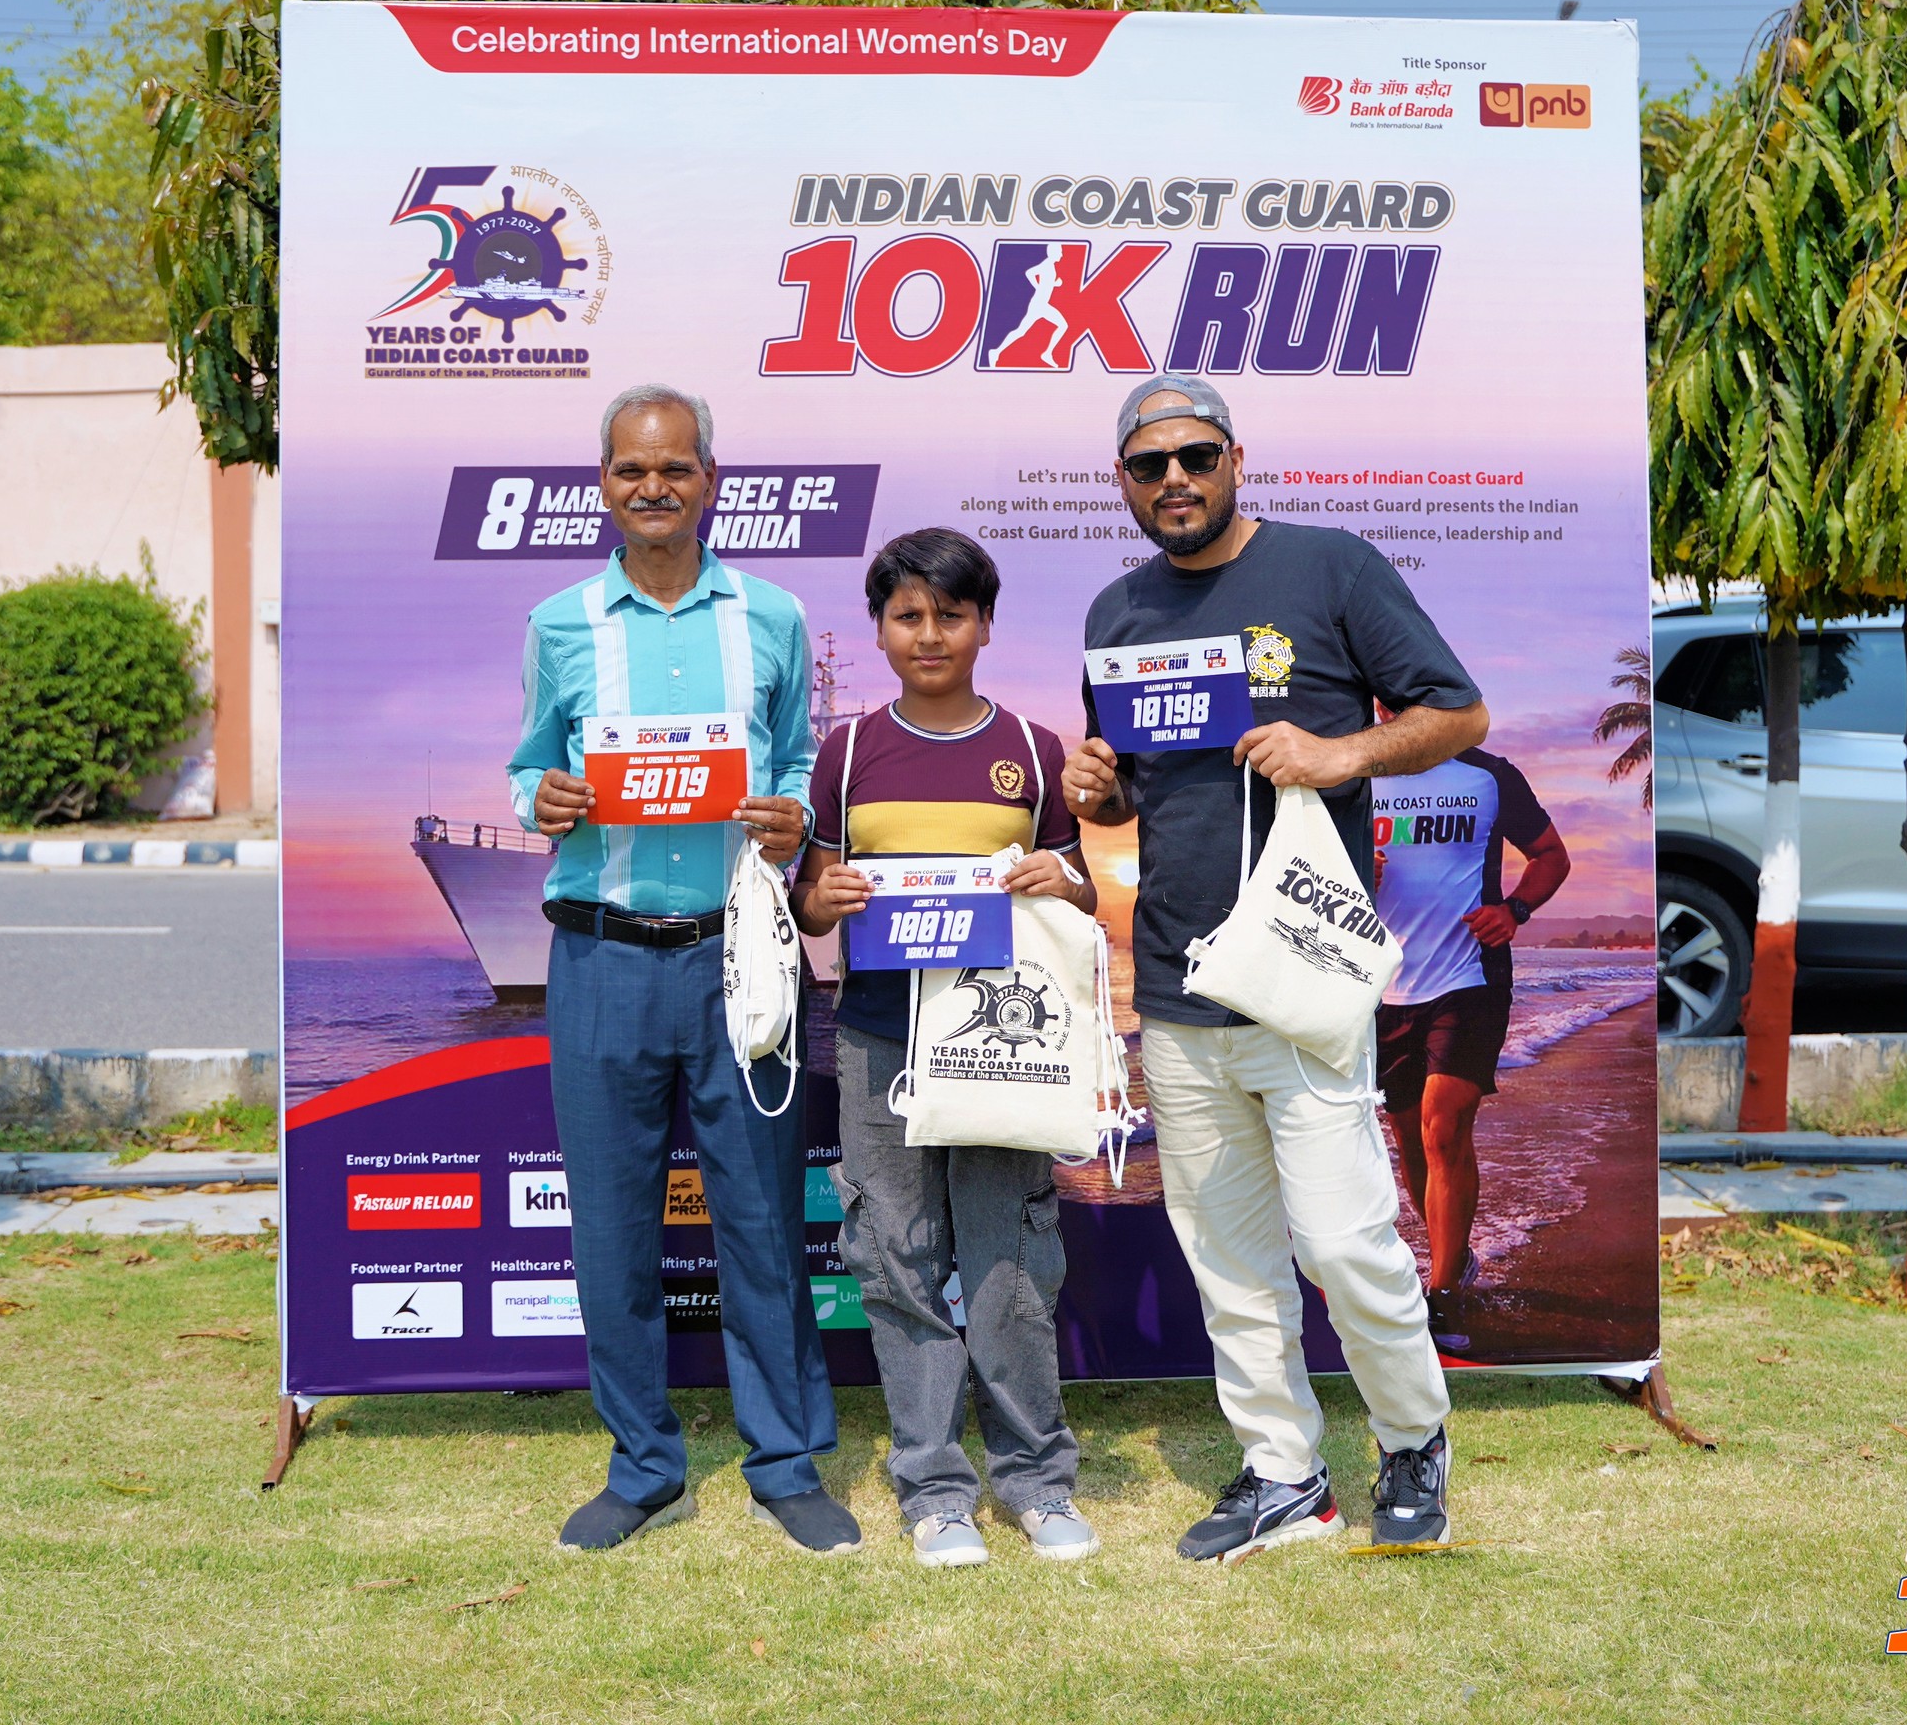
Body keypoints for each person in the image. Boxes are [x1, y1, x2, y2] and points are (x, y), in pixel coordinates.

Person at [1060, 374, 1489, 1562]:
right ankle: (1285, 1472)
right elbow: (1132, 785)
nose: (1175, 479)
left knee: (1346, 1240)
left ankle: (1412, 1439)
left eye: (1196, 456)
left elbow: (1458, 712)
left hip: (1300, 975)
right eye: (1150, 465)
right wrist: (1098, 788)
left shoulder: (1328, 566)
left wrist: (1340, 750)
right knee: (1230, 1260)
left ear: (1236, 459)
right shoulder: (1114, 612)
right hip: (1177, 985)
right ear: (1123, 482)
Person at [508, 384, 859, 1558]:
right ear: (602, 484)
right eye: (630, 469)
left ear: (712, 479)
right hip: (602, 958)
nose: (652, 486)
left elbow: (799, 759)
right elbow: (528, 766)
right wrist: (544, 797)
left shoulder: (773, 615)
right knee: (613, 1232)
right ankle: (645, 1465)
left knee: (759, 1220)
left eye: (674, 467)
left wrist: (791, 815)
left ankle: (786, 1463)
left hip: (738, 958)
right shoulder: (560, 622)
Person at [791, 527, 1100, 1570]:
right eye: (908, 615)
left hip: (1000, 1044)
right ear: (881, 629)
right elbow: (811, 899)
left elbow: (1079, 890)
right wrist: (824, 897)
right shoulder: (846, 752)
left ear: (985, 626)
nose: (930, 635)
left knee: (1010, 1260)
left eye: (951, 615)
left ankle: (1039, 1480)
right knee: (898, 1259)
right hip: (879, 1038)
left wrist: (1060, 880)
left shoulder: (1034, 748)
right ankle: (934, 1491)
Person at [1371, 749, 1570, 1351]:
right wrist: (1354, 870)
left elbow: (1551, 855)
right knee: (1411, 1137)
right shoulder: (1356, 771)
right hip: (1381, 985)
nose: (1390, 706)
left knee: (1443, 1128)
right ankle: (1454, 1259)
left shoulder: (1490, 775)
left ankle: (1442, 1294)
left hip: (1470, 977)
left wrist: (1514, 910)